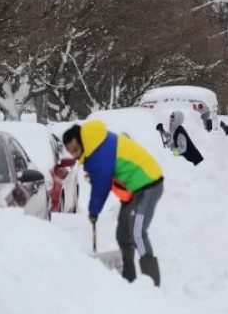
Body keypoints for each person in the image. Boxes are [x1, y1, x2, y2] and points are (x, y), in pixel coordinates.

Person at [63, 121, 164, 286]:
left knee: (137, 232)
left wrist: (94, 212)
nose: (74, 155)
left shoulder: (97, 150)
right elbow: (112, 175)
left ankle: (152, 285)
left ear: (82, 140)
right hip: (134, 190)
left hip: (148, 184)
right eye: (71, 152)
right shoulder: (96, 145)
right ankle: (128, 279)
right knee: (123, 233)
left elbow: (101, 187)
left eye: (75, 149)